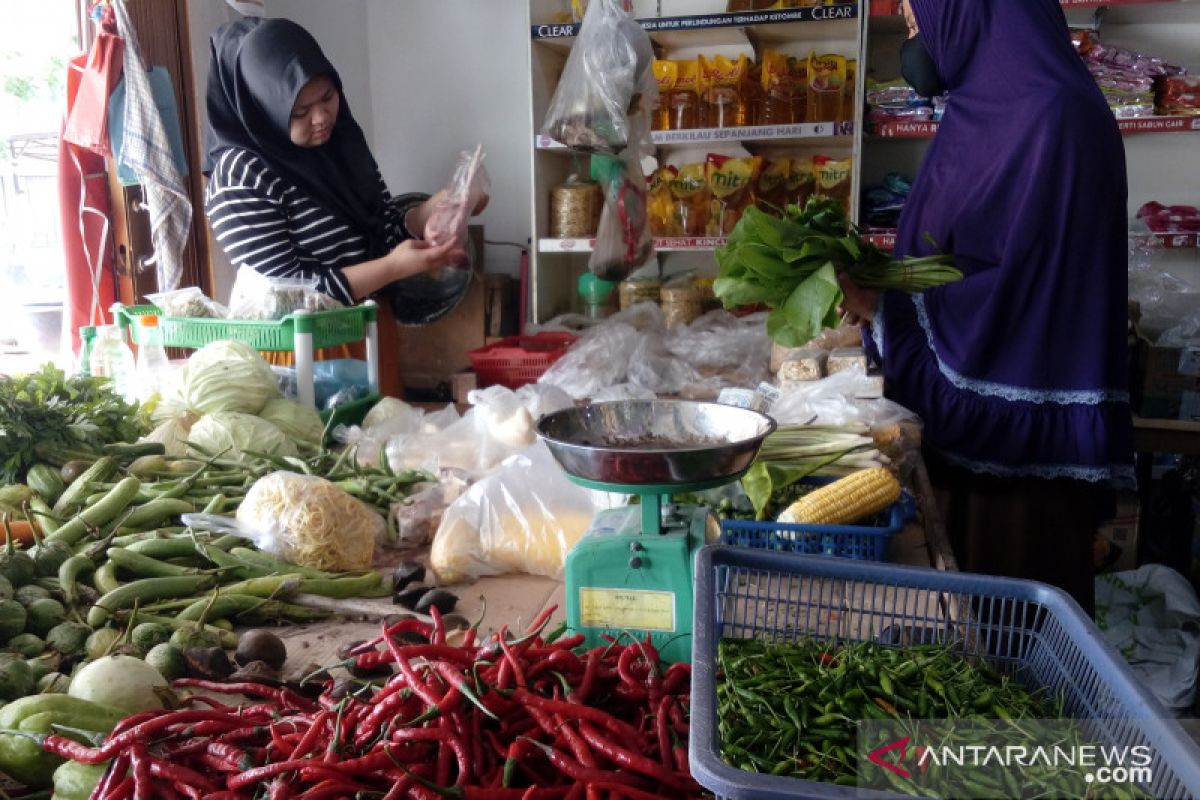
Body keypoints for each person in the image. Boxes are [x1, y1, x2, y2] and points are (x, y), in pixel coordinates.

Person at [838, 0, 1134, 615]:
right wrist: (881, 288)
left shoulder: (1051, 117)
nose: (915, 34)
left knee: (1012, 639)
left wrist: (884, 309)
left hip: (1022, 467)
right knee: (965, 634)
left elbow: (1022, 295)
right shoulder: (986, 108)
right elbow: (968, 251)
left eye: (920, 16)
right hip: (967, 451)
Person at [202, 16, 482, 398]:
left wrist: (425, 214)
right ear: (262, 107)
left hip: (364, 333)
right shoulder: (241, 176)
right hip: (295, 357)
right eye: (299, 112)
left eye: (328, 97)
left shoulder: (340, 144)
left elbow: (380, 228)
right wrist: (393, 267)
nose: (320, 119)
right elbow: (291, 294)